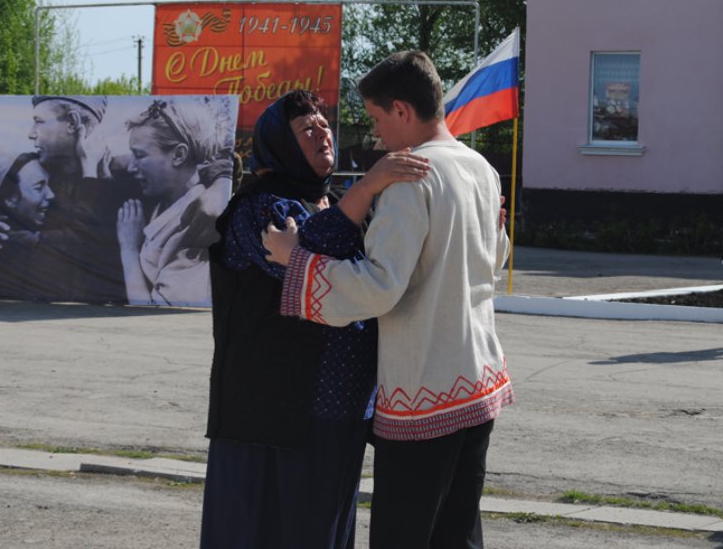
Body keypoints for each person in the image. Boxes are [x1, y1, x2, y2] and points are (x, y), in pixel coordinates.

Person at [263, 52, 513, 549]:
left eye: (377, 119)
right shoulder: (481, 168)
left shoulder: (408, 177)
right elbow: (494, 257)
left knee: (405, 535)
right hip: (478, 381)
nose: (376, 136)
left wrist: (298, 261)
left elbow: (379, 286)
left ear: (402, 110)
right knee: (458, 535)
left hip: (425, 390)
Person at [200, 90, 430, 549]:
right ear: (280, 146)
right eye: (307, 129)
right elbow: (305, 262)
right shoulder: (258, 206)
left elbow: (373, 271)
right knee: (264, 528)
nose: (322, 130)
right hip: (275, 412)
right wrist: (366, 189)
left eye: (323, 123)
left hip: (343, 408)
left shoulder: (333, 202)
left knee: (321, 528)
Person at [0, 95, 127, 303]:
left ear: (72, 123)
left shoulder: (127, 177)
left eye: (39, 121)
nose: (31, 134)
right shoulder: (35, 170)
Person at [115, 98, 234, 306]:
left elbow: (154, 312)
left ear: (179, 155)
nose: (131, 167)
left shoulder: (198, 228)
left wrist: (129, 250)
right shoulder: (164, 200)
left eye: (139, 155)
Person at [0, 151, 56, 300]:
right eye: (38, 187)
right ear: (9, 199)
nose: (51, 195)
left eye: (48, 185)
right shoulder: (22, 241)